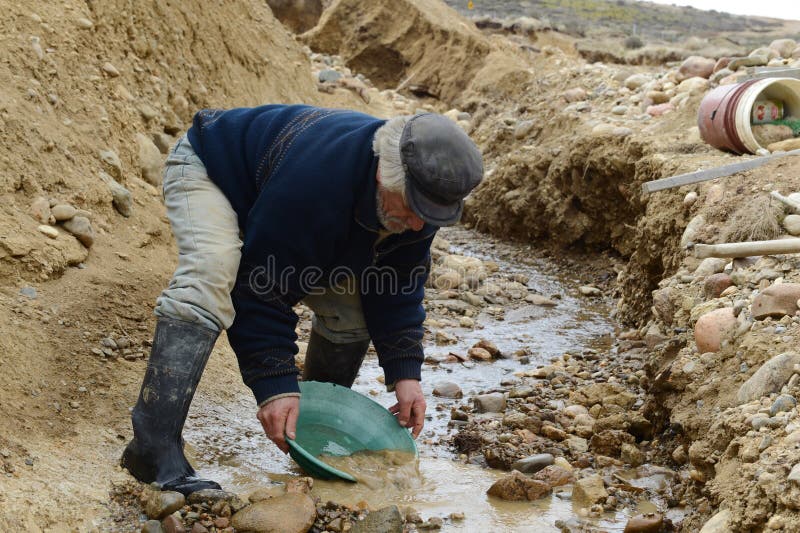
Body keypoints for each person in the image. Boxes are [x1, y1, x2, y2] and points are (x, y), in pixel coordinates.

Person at [121, 104, 483, 495]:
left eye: (432, 216)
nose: (418, 225)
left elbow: (395, 285)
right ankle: (152, 450)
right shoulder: (317, 182)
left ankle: (308, 431)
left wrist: (406, 372)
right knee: (212, 271)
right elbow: (261, 289)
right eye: (414, 210)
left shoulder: (420, 199)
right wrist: (274, 386)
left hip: (284, 209)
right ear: (382, 174)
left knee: (355, 313)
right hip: (213, 171)